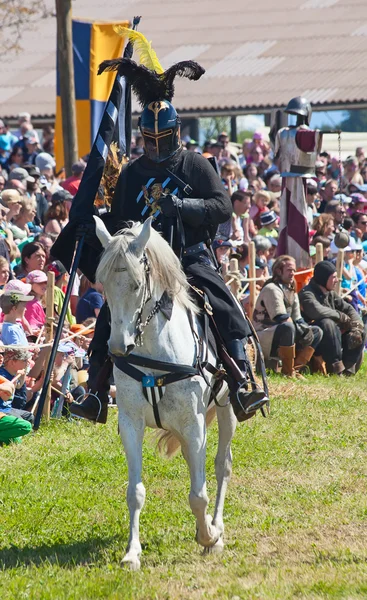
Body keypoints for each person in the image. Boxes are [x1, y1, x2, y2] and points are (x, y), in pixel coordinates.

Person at [53, 46, 268, 424]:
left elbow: (221, 207)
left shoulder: (195, 164)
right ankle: (97, 392)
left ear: (175, 133)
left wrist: (183, 208)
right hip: (144, 262)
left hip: (188, 257)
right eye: (149, 139)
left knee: (220, 301)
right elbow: (120, 220)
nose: (155, 145)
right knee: (110, 313)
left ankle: (240, 380)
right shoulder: (133, 173)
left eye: (162, 138)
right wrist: (93, 222)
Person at [253, 255, 323, 375]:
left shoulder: (290, 290)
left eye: (294, 270)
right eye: (289, 270)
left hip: (283, 331)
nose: (292, 273)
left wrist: (306, 330)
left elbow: (298, 319)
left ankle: (295, 369)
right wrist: (301, 329)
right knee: (288, 327)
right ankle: (287, 372)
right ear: (278, 271)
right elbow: (280, 318)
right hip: (263, 335)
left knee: (316, 331)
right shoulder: (271, 288)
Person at [275, 96, 323, 267]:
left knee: (293, 222)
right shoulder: (306, 134)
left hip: (293, 180)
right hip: (293, 181)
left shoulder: (282, 133)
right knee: (292, 223)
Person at [299, 261, 365, 375]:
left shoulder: (330, 293)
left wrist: (357, 326)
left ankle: (348, 370)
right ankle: (336, 368)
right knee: (327, 323)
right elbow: (317, 311)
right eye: (333, 277)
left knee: (360, 330)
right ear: (324, 278)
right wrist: (341, 317)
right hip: (315, 341)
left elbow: (348, 309)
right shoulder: (307, 294)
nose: (337, 280)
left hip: (334, 339)